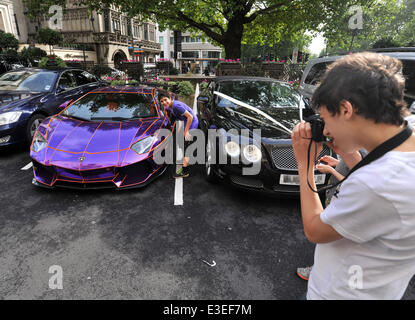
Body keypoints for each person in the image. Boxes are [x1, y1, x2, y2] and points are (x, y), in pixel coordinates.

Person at [291, 52, 415, 300]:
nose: (325, 130)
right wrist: (349, 153)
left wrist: (304, 163)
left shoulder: (378, 184)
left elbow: (315, 230)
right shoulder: (406, 135)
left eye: (326, 119)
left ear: (346, 109)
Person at [158, 90, 199, 178]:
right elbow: (175, 119)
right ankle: (180, 166)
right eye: (161, 101)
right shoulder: (168, 107)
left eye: (165, 100)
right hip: (184, 121)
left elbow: (190, 117)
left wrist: (186, 131)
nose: (164, 102)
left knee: (188, 148)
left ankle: (180, 172)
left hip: (191, 123)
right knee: (181, 144)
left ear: (170, 98)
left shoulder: (176, 106)